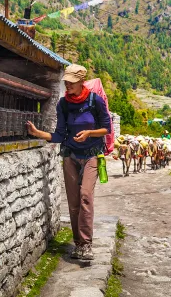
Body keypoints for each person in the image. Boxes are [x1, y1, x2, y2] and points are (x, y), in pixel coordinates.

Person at [26, 64, 111, 260]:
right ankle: (78, 244)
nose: (67, 84)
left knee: (85, 196)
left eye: (71, 82)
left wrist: (90, 133)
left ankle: (87, 244)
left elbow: (106, 128)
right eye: (66, 81)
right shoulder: (63, 104)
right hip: (70, 155)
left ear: (82, 81)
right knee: (73, 203)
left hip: (91, 154)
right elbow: (59, 135)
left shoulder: (95, 101)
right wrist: (38, 133)